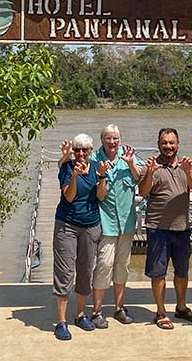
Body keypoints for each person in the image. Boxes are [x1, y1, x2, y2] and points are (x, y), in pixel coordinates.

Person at [139, 127, 192, 329]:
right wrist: (149, 173)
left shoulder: (186, 165)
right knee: (158, 273)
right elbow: (142, 191)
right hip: (158, 228)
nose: (168, 146)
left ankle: (181, 307)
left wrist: (187, 171)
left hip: (182, 227)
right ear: (159, 144)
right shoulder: (151, 166)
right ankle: (160, 312)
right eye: (164, 142)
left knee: (182, 271)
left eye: (171, 142)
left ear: (178, 144)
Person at [52, 134, 109, 341]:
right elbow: (69, 196)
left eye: (85, 150)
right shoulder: (67, 167)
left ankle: (80, 314)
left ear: (91, 151)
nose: (81, 154)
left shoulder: (96, 168)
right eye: (77, 150)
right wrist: (75, 176)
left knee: (85, 270)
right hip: (66, 225)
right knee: (65, 272)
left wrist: (102, 177)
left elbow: (101, 196)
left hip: (90, 226)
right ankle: (61, 321)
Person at [89, 124, 143, 328]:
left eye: (116, 138)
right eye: (108, 138)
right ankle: (96, 311)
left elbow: (139, 178)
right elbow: (99, 195)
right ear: (102, 140)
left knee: (123, 266)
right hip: (106, 223)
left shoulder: (128, 155)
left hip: (126, 223)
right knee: (104, 265)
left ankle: (120, 308)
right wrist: (102, 175)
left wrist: (130, 164)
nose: (112, 142)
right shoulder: (94, 160)